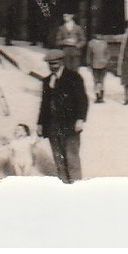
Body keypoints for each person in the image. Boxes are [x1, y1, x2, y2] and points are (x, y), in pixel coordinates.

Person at [36, 48, 88, 183]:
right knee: (58, 159)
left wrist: (80, 119)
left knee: (72, 158)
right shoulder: (47, 81)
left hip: (70, 125)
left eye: (55, 63)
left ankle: (76, 187)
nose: (52, 67)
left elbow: (82, 100)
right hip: (52, 126)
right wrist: (40, 123)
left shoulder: (73, 77)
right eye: (50, 64)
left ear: (61, 62)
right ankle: (64, 187)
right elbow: (44, 104)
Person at [86, 34, 111, 103]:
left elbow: (108, 53)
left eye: (100, 34)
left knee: (101, 80)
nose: (99, 36)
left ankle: (101, 97)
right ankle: (97, 96)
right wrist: (88, 63)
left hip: (103, 64)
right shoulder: (91, 43)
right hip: (94, 64)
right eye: (97, 34)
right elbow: (89, 54)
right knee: (96, 81)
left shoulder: (104, 43)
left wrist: (106, 60)